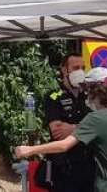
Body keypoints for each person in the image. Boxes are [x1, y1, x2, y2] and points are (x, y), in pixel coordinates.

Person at [15, 67, 107, 192]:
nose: (86, 93)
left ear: (95, 91)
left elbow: (64, 145)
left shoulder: (96, 118)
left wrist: (30, 150)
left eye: (87, 89)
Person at [41, 53, 95, 191]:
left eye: (83, 67)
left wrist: (72, 128)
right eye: (76, 67)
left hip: (87, 167)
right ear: (64, 70)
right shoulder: (54, 97)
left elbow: (98, 127)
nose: (80, 71)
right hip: (64, 168)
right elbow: (58, 132)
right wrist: (87, 129)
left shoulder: (90, 98)